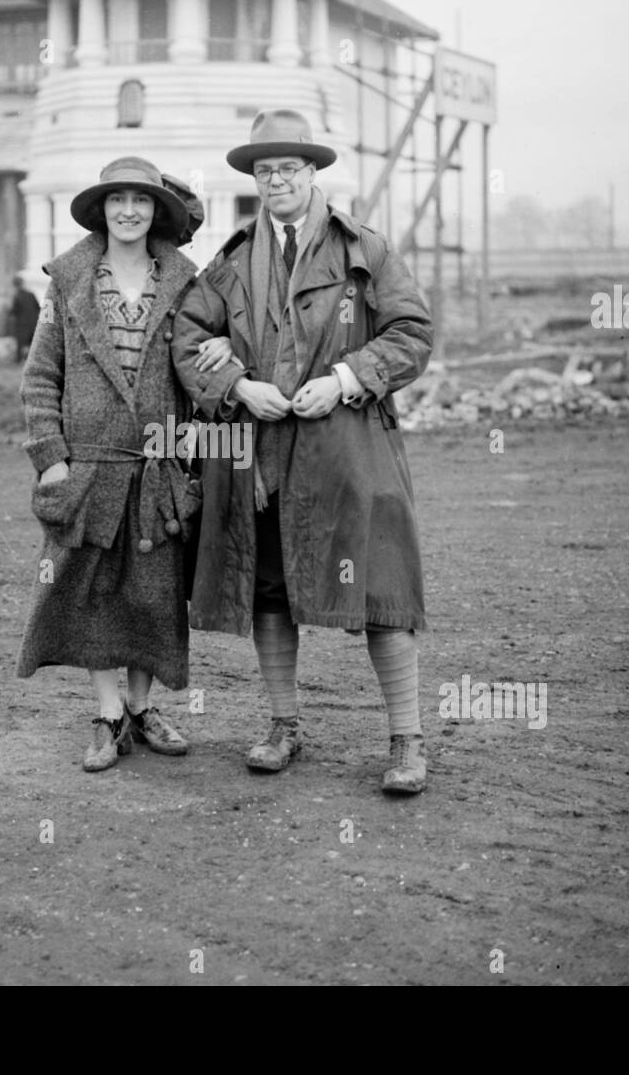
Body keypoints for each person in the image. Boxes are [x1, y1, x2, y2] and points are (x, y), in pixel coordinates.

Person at [170, 109, 435, 795]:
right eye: (265, 169)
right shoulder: (230, 262)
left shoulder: (363, 250)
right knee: (269, 590)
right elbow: (186, 341)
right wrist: (237, 385)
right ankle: (283, 724)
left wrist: (346, 379)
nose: (278, 179)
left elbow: (412, 333)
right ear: (254, 178)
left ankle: (406, 741)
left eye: (290, 167)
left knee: (383, 586)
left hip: (351, 449)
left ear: (313, 172)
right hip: (259, 455)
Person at [15, 156, 232, 772]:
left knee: (153, 598)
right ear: (102, 209)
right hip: (88, 472)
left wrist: (212, 374)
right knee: (90, 598)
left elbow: (202, 366)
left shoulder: (188, 283)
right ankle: (107, 715)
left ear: (157, 211)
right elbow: (39, 379)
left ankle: (141, 709)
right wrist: (51, 459)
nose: (129, 210)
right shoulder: (67, 283)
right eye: (118, 200)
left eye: (142, 200)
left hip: (160, 471)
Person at [8, 275, 40, 363]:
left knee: (20, 343)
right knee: (33, 342)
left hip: (22, 324)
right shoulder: (31, 294)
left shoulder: (17, 296)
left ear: (15, 285)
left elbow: (14, 311)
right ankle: (34, 360)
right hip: (33, 322)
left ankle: (19, 359)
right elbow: (38, 307)